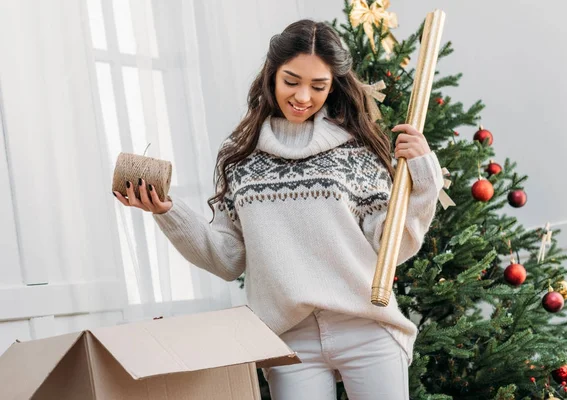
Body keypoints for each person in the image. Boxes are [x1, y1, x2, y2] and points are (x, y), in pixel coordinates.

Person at [114, 19, 443, 400]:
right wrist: (168, 211)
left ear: (333, 85)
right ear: (271, 74)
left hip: (365, 327)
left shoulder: (355, 149)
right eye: (292, 81)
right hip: (289, 339)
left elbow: (391, 247)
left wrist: (424, 178)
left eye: (318, 86)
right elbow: (227, 259)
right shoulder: (240, 155)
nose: (303, 96)